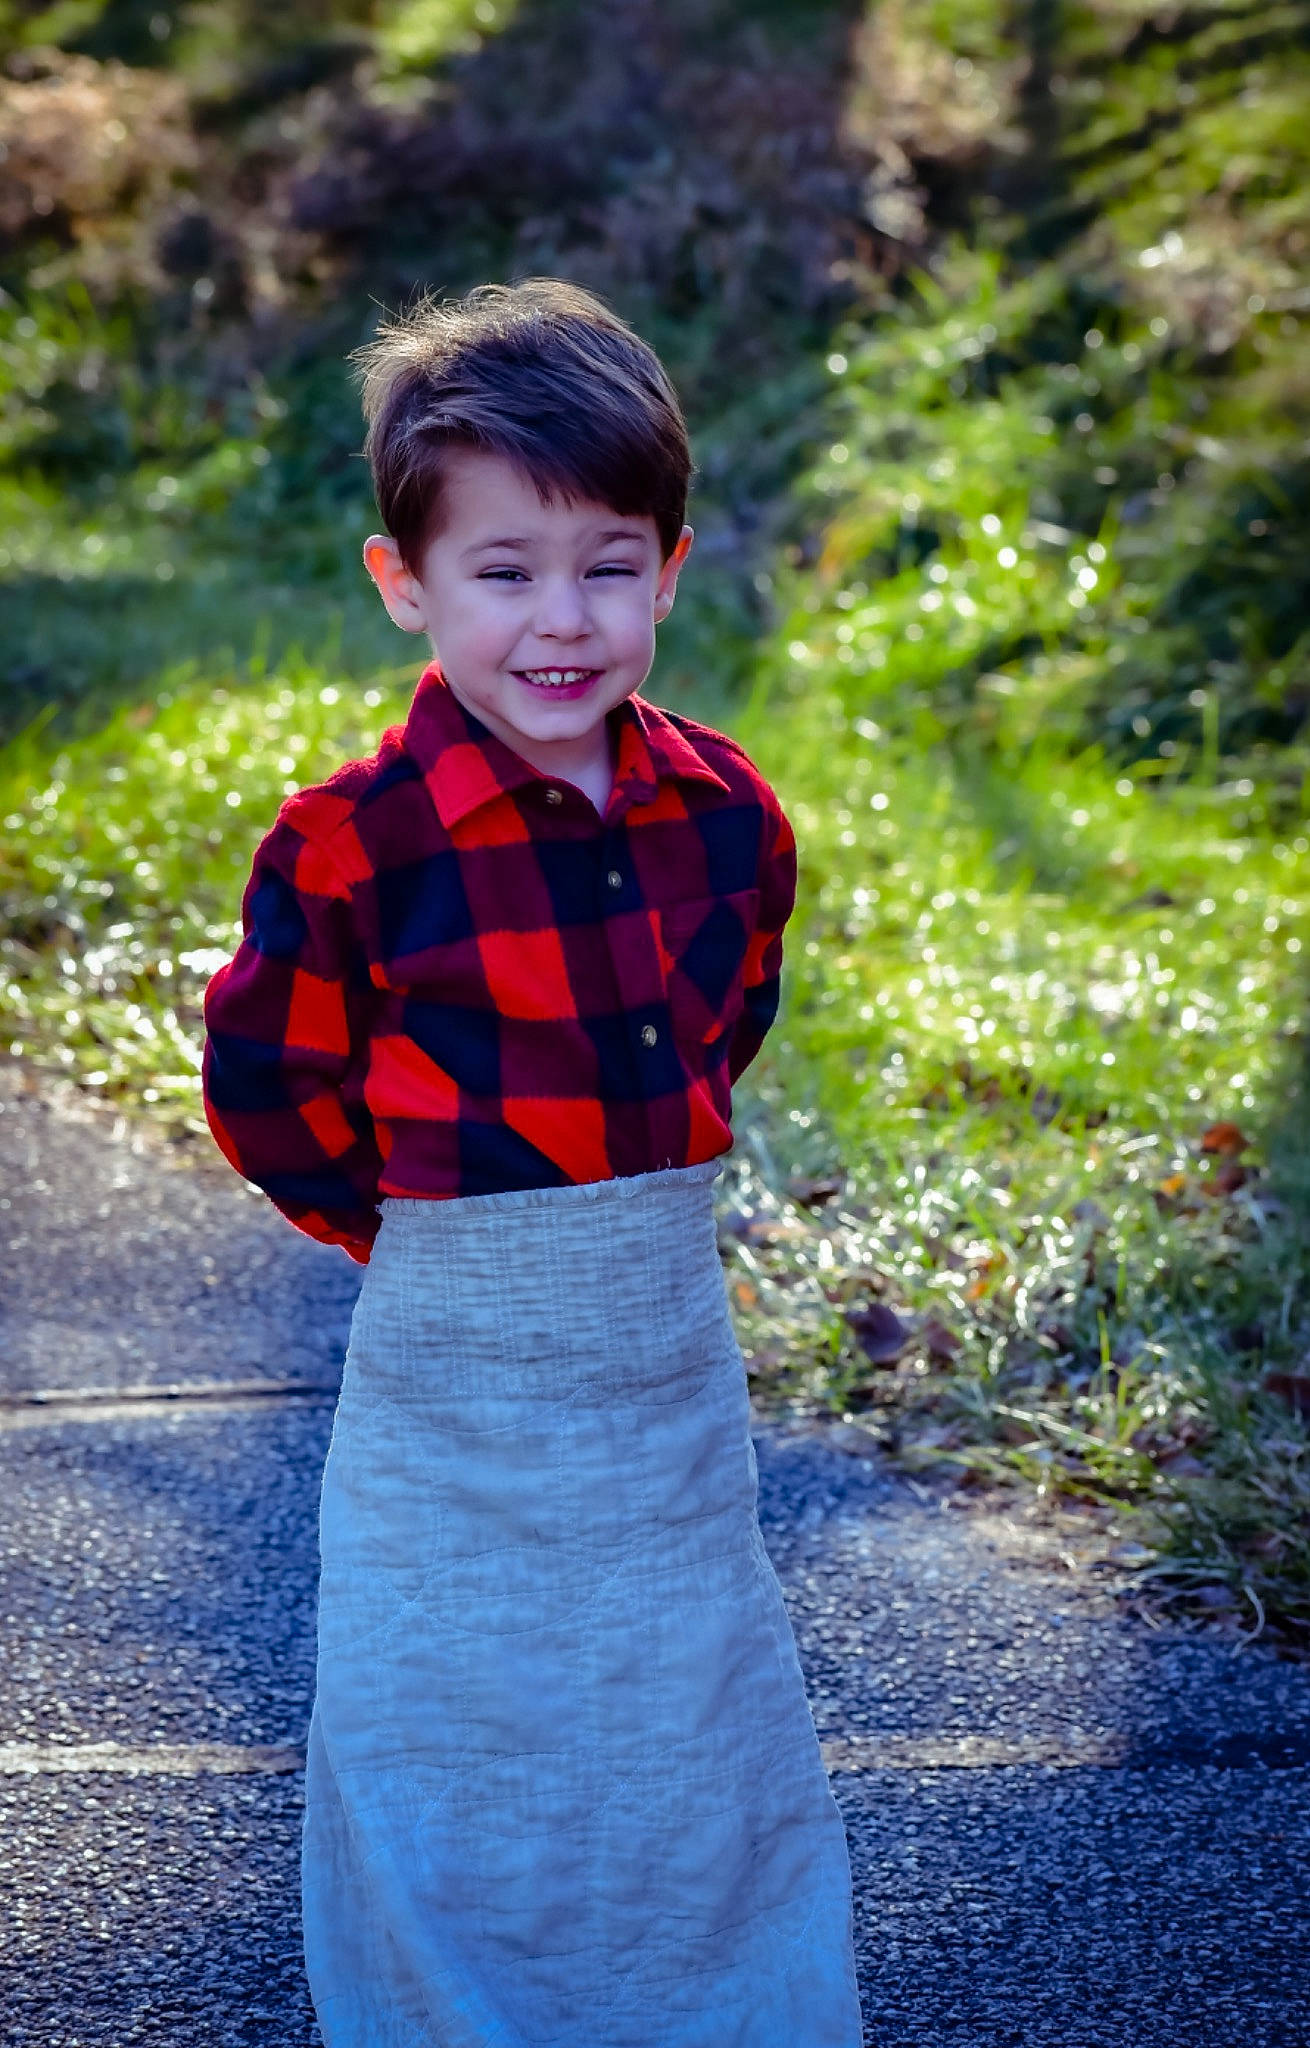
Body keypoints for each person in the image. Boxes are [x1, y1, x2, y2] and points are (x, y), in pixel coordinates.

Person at [201, 278, 863, 2048]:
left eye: (608, 564)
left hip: (661, 1361)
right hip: (451, 1366)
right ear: (404, 584)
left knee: (679, 1711)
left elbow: (728, 1016)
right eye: (502, 572)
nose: (559, 621)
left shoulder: (726, 811)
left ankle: (720, 1999)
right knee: (451, 1711)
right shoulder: (353, 846)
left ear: (671, 562)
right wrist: (418, 1231)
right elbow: (272, 1089)